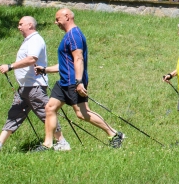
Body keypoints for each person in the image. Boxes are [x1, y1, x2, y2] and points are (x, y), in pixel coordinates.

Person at [34, 8, 125, 151]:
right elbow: (66, 64)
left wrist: (79, 82)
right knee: (50, 108)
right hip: (64, 81)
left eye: (58, 19)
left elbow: (78, 58)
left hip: (73, 81)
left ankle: (114, 134)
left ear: (67, 17)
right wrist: (45, 70)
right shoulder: (69, 36)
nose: (55, 22)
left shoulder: (74, 35)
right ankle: (48, 144)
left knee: (82, 113)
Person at [0, 16, 70, 153]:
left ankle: (62, 143)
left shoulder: (36, 40)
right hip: (25, 88)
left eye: (21, 24)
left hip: (34, 86)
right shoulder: (29, 41)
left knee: (46, 114)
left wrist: (10, 66)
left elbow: (32, 59)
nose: (18, 27)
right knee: (14, 114)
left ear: (30, 25)